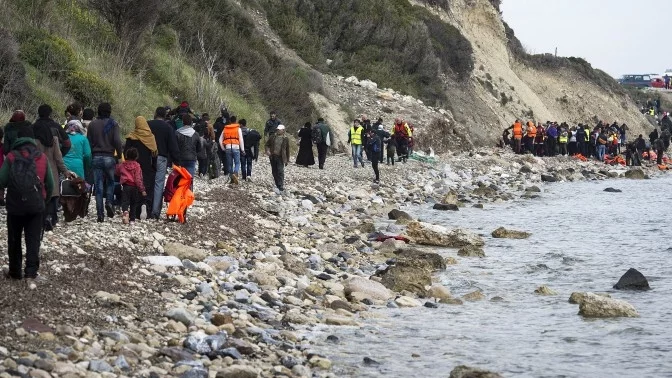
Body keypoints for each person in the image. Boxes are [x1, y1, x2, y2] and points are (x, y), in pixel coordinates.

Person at [0, 128, 53, 285]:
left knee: (14, 239)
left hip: (15, 205)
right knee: (33, 240)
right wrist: (45, 200)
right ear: (33, 141)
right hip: (35, 206)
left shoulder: (11, 157)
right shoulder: (42, 157)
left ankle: (15, 271)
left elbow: (1, 180)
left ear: (17, 141)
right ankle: (31, 272)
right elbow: (50, 184)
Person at [33, 110, 73, 231]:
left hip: (37, 169)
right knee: (53, 194)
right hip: (52, 169)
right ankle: (51, 218)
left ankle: (38, 219)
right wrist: (65, 171)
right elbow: (59, 158)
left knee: (38, 193)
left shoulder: (34, 139)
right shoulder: (54, 139)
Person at [88, 103, 123, 222]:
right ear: (109, 111)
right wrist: (119, 155)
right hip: (109, 157)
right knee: (110, 182)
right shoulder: (113, 124)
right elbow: (117, 141)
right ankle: (109, 201)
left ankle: (100, 214)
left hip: (96, 156)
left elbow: (89, 142)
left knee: (98, 186)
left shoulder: (92, 124)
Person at [148, 107, 180, 219]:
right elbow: (173, 146)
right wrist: (177, 161)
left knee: (147, 182)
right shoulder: (168, 127)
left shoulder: (148, 124)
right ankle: (155, 212)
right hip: (161, 157)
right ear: (165, 115)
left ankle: (145, 207)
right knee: (159, 184)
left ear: (155, 113)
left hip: (148, 156)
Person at [125, 116, 157, 220]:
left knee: (134, 187)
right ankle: (145, 206)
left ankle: (135, 211)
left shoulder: (131, 137)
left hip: (132, 167)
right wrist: (154, 167)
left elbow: (125, 152)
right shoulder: (151, 137)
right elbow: (154, 154)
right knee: (144, 187)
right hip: (147, 167)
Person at [115, 147, 146, 224]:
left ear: (126, 155)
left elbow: (117, 172)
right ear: (136, 156)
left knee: (125, 201)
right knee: (133, 203)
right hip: (134, 187)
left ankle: (125, 211)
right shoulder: (137, 166)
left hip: (126, 186)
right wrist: (142, 190)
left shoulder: (123, 165)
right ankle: (132, 219)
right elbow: (138, 179)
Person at [176, 114, 202, 182]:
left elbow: (174, 147)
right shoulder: (195, 134)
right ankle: (189, 191)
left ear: (183, 122)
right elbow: (199, 147)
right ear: (191, 122)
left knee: (180, 179)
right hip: (191, 158)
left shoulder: (177, 132)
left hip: (180, 158)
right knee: (189, 179)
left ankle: (181, 192)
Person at [219, 115, 245, 184]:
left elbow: (220, 140)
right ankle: (235, 173)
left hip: (227, 148)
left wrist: (223, 148)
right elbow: (241, 140)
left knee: (229, 164)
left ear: (230, 121)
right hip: (236, 147)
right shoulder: (238, 129)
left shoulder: (225, 129)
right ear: (236, 121)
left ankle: (232, 179)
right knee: (237, 163)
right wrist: (242, 149)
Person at [265, 124, 290, 192]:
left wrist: (287, 159)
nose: (278, 131)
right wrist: (267, 150)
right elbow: (267, 144)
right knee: (274, 171)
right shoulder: (272, 137)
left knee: (280, 171)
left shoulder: (285, 138)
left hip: (281, 157)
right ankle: (277, 184)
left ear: (283, 130)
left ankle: (280, 185)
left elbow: (287, 149)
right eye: (278, 129)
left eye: (280, 130)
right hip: (273, 156)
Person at [213, 107, 229, 175]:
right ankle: (226, 171)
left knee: (219, 156)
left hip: (219, 140)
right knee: (225, 156)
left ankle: (218, 170)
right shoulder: (229, 121)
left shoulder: (218, 121)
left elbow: (214, 130)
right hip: (227, 141)